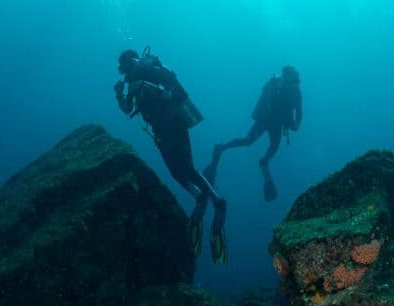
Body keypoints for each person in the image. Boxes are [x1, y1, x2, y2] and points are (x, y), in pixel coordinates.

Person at [114, 47, 227, 264]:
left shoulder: (150, 70)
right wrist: (120, 93)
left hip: (173, 122)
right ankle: (201, 198)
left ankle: (216, 201)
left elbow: (168, 90)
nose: (127, 71)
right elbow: (128, 109)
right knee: (177, 172)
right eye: (125, 69)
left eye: (127, 66)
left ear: (133, 61)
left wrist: (145, 84)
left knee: (186, 167)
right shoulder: (133, 82)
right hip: (160, 131)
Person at [207, 65, 302, 202]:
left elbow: (299, 110)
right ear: (287, 78)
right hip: (265, 119)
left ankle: (263, 162)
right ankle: (221, 148)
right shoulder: (276, 85)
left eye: (296, 82)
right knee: (248, 141)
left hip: (277, 123)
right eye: (293, 82)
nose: (295, 85)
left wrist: (296, 124)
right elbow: (271, 102)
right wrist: (293, 123)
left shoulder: (295, 91)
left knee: (273, 147)